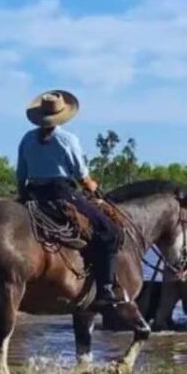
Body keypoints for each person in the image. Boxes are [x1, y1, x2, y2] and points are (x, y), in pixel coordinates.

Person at [17, 90, 121, 310]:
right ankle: (105, 289)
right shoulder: (67, 139)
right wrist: (91, 186)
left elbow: (21, 173)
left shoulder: (27, 138)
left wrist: (23, 195)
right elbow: (81, 174)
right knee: (109, 231)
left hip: (32, 194)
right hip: (60, 194)